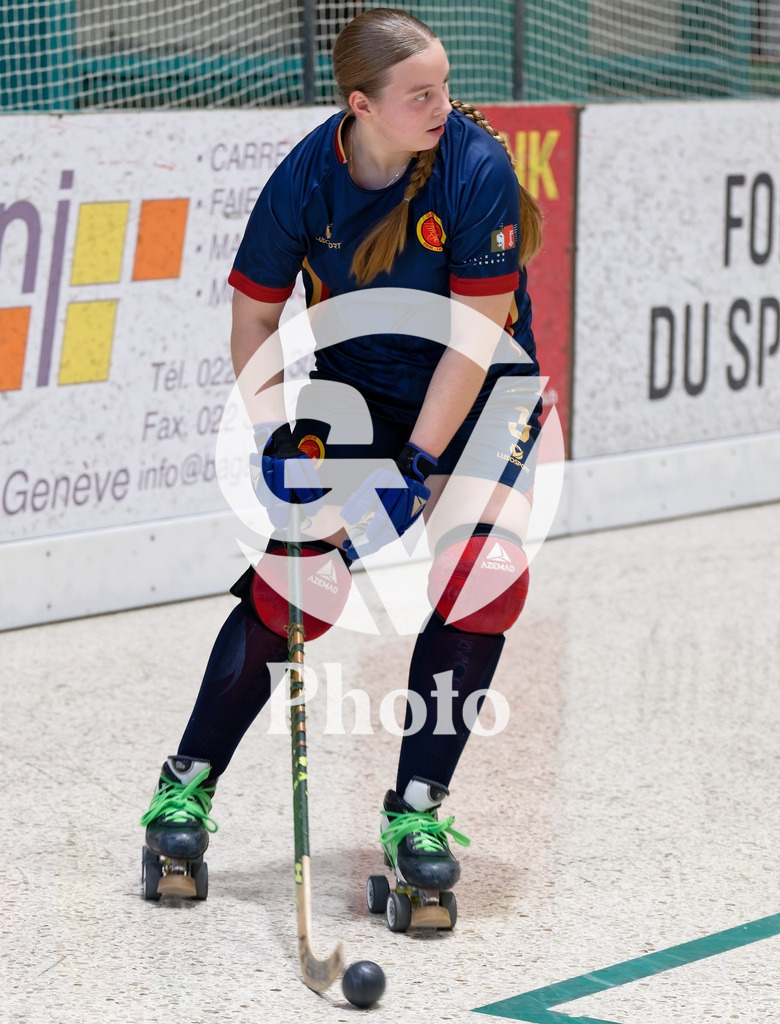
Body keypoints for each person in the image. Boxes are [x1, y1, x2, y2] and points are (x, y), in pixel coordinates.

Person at [140, 7, 544, 910]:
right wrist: (278, 430)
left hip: (479, 388)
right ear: (361, 104)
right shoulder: (305, 179)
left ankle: (418, 811)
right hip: (357, 384)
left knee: (487, 571)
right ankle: (186, 785)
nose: (444, 105)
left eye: (444, 86)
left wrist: (420, 467)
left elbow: (472, 344)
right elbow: (253, 319)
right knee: (302, 587)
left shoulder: (475, 168)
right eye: (420, 95)